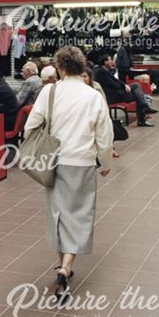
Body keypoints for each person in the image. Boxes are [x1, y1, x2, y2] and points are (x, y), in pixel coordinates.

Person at [23, 46, 113, 296]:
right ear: (81, 67)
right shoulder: (93, 95)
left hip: (54, 161)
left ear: (60, 67)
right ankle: (66, 266)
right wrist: (106, 163)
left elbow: (31, 125)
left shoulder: (49, 92)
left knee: (58, 212)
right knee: (80, 213)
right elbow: (104, 135)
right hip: (82, 161)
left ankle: (62, 262)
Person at [93, 54, 152, 126]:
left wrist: (124, 85)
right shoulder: (101, 72)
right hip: (112, 96)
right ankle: (142, 116)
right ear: (105, 62)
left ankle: (144, 106)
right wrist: (123, 87)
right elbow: (112, 84)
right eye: (110, 60)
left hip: (115, 93)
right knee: (138, 96)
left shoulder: (103, 70)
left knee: (136, 86)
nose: (112, 62)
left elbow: (116, 80)